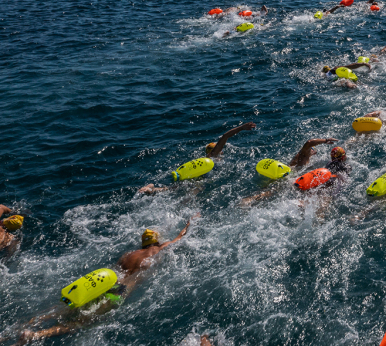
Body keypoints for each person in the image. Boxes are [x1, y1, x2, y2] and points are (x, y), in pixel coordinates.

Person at [15, 219, 195, 344]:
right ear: (157, 241)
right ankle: (35, 335)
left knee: (66, 308)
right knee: (81, 322)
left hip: (105, 283)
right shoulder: (157, 250)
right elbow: (179, 238)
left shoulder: (128, 255)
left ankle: (28, 324)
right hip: (120, 291)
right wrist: (188, 225)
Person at [138, 123, 256, 195]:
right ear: (214, 151)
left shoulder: (207, 158)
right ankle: (153, 190)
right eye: (219, 149)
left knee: (174, 188)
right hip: (203, 178)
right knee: (193, 191)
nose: (222, 150)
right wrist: (241, 128)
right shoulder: (213, 156)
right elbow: (225, 136)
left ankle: (152, 190)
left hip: (198, 175)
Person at [241, 140, 343, 205]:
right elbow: (309, 142)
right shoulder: (303, 156)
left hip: (283, 174)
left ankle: (250, 199)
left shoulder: (297, 158)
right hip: (291, 177)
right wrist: (325, 140)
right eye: (313, 150)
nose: (314, 152)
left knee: (272, 190)